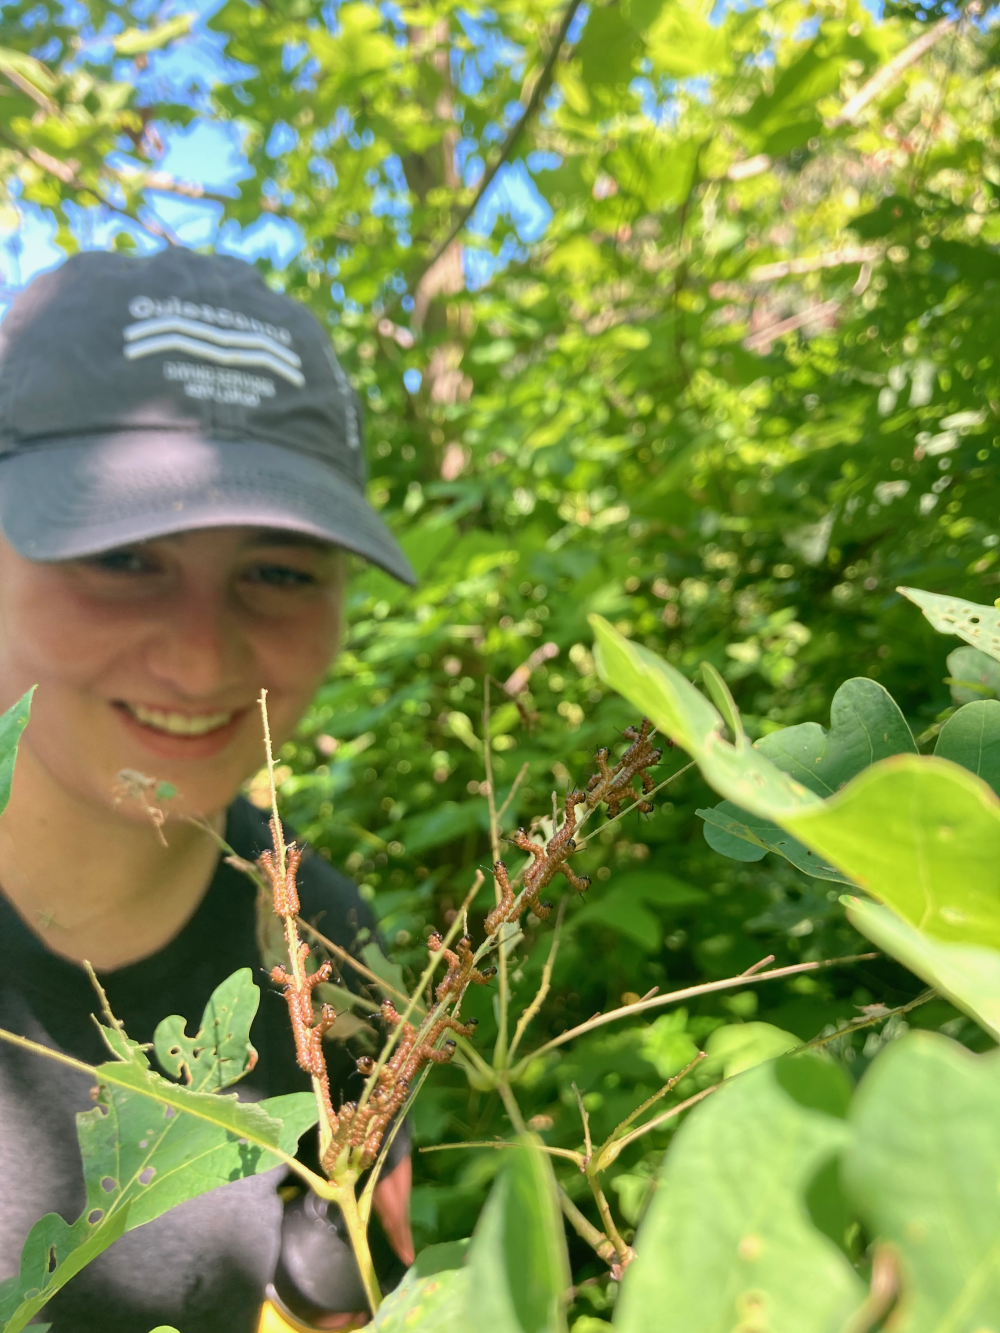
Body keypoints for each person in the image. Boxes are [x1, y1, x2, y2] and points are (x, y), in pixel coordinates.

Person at [0, 247, 417, 1333]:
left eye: (277, 571)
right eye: (121, 556)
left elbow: (341, 1302)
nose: (198, 658)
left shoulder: (320, 945)